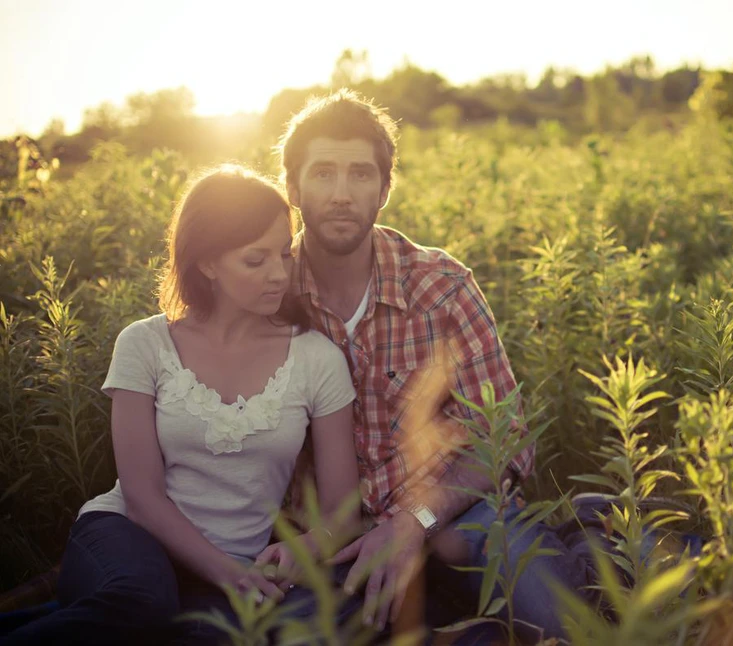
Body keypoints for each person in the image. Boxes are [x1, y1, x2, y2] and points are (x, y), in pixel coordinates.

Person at [279, 89, 598, 643]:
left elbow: (504, 441)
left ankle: (594, 542)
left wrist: (414, 522)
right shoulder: (269, 297)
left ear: (384, 189)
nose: (341, 194)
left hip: (455, 516)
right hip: (337, 540)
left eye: (360, 175)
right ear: (293, 186)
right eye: (323, 173)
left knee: (566, 628)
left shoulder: (441, 287)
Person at [1, 165, 361, 646]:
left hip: (238, 565)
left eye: (283, 253)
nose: (279, 274)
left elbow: (342, 509)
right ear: (207, 264)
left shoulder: (317, 358)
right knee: (142, 601)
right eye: (255, 261)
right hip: (126, 538)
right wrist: (226, 574)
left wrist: (309, 547)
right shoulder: (146, 343)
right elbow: (143, 496)